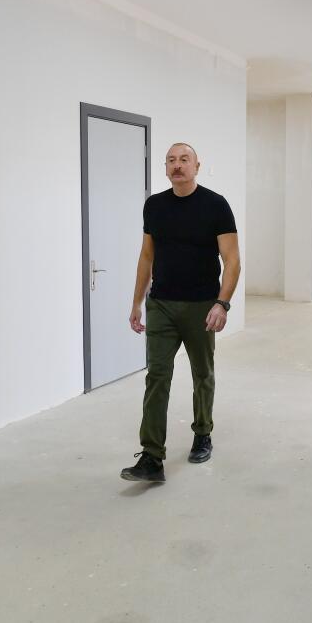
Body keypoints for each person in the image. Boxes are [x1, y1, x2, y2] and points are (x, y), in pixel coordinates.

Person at [121, 142, 241, 483]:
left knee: (202, 373)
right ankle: (151, 457)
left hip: (202, 306)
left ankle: (202, 432)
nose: (177, 165)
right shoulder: (154, 206)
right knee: (157, 376)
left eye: (184, 159)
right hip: (161, 304)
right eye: (171, 160)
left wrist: (222, 303)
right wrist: (136, 302)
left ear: (196, 166)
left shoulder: (216, 205)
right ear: (165, 168)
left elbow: (232, 260)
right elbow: (147, 256)